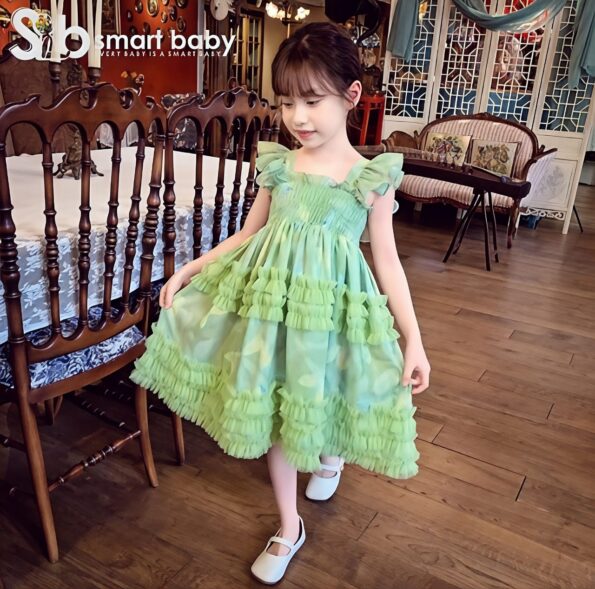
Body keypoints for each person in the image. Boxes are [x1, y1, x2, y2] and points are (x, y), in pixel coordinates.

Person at [130, 21, 430, 585]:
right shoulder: (280, 166)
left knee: (326, 391)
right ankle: (290, 526)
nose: (297, 117)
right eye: (287, 102)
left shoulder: (370, 178)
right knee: (278, 410)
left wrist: (414, 340)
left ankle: (331, 456)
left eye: (312, 101)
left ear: (351, 96)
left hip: (332, 309)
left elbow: (388, 262)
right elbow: (247, 235)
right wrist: (190, 270)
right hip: (271, 308)